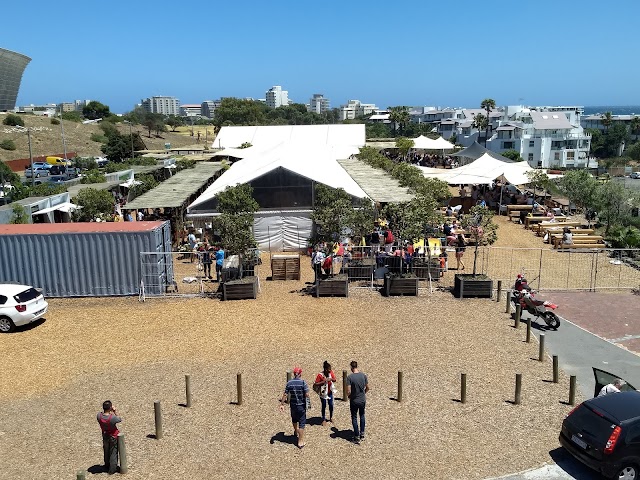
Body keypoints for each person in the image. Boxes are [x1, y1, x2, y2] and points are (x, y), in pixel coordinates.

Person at [279, 366, 310, 448]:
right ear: (300, 374)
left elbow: (285, 394)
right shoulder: (303, 383)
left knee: (294, 419)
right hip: (301, 406)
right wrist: (308, 404)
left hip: (293, 405)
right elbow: (307, 395)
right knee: (302, 423)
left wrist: (282, 404)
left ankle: (295, 431)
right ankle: (300, 441)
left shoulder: (289, 383)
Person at [347, 360, 369, 444]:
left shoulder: (350, 377)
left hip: (354, 400)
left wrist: (349, 396)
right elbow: (367, 387)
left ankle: (356, 436)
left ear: (351, 367)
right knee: (362, 415)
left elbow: (348, 391)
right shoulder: (363, 376)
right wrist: (363, 393)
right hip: (362, 399)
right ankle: (362, 433)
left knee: (354, 417)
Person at [97, 400, 122, 475]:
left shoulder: (99, 416)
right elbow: (119, 419)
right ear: (110, 408)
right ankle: (112, 469)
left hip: (105, 435)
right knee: (113, 452)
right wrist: (115, 411)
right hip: (113, 436)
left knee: (106, 450)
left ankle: (107, 465)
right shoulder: (112, 418)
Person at [314, 361, 337, 426]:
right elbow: (316, 383)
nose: (330, 370)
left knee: (331, 405)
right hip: (323, 393)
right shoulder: (320, 375)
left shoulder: (330, 373)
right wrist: (324, 381)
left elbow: (335, 380)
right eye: (329, 369)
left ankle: (331, 417)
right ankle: (323, 419)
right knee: (323, 405)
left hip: (329, 392)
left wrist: (331, 379)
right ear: (325, 369)